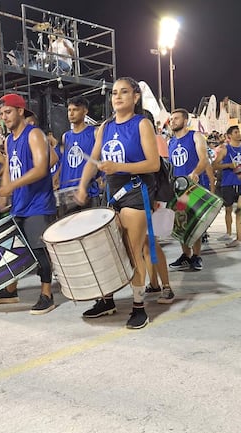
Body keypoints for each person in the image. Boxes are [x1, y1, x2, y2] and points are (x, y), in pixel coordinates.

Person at [75, 77, 160, 329]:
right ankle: (107, 300)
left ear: (135, 97)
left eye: (124, 92)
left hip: (136, 191)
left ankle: (138, 306)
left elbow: (153, 164)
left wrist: (119, 167)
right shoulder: (105, 126)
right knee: (108, 248)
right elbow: (94, 158)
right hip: (111, 194)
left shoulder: (142, 124)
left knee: (133, 250)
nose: (118, 97)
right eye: (114, 93)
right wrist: (82, 185)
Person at [0, 93, 58, 314]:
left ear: (20, 111)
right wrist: (4, 192)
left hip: (38, 203)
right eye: (1, 114)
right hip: (20, 203)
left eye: (8, 112)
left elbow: (41, 168)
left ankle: (47, 294)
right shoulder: (9, 140)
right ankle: (11, 290)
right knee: (17, 250)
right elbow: (10, 167)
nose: (4, 117)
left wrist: (12, 185)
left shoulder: (34, 134)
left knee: (39, 250)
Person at [167, 108, 211, 274]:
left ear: (185, 121)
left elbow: (204, 159)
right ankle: (186, 255)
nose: (172, 121)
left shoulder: (195, 136)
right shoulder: (170, 142)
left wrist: (195, 173)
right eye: (171, 119)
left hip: (194, 188)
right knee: (181, 222)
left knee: (195, 222)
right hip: (178, 190)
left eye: (176, 118)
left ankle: (196, 256)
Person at [57, 96, 101, 215]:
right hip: (67, 193)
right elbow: (65, 162)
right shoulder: (66, 136)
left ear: (85, 111)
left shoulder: (95, 132)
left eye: (75, 110)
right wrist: (56, 177)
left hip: (88, 191)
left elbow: (99, 160)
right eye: (69, 110)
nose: (71, 113)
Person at [212, 125, 241, 246]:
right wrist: (228, 166)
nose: (239, 134)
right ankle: (228, 233)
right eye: (236, 132)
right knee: (228, 209)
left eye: (239, 132)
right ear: (229, 136)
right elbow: (214, 165)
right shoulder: (225, 150)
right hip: (228, 183)